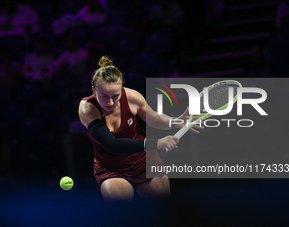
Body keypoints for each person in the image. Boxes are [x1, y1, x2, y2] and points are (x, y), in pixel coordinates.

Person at [78, 56, 203, 202]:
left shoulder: (132, 97)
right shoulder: (87, 108)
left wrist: (174, 121)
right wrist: (156, 143)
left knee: (162, 213)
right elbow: (112, 145)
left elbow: (154, 119)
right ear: (94, 90)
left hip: (144, 162)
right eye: (104, 96)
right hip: (111, 169)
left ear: (122, 89)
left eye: (115, 96)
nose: (110, 102)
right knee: (122, 212)